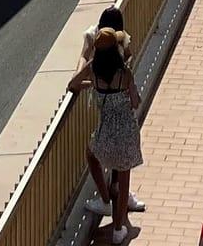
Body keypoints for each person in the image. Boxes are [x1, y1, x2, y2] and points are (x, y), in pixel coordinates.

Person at [72, 27, 145, 244]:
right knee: (124, 181)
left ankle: (104, 198)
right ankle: (119, 229)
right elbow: (135, 102)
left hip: (104, 134)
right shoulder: (124, 73)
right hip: (126, 134)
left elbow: (73, 83)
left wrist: (92, 86)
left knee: (91, 154)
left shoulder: (93, 69)